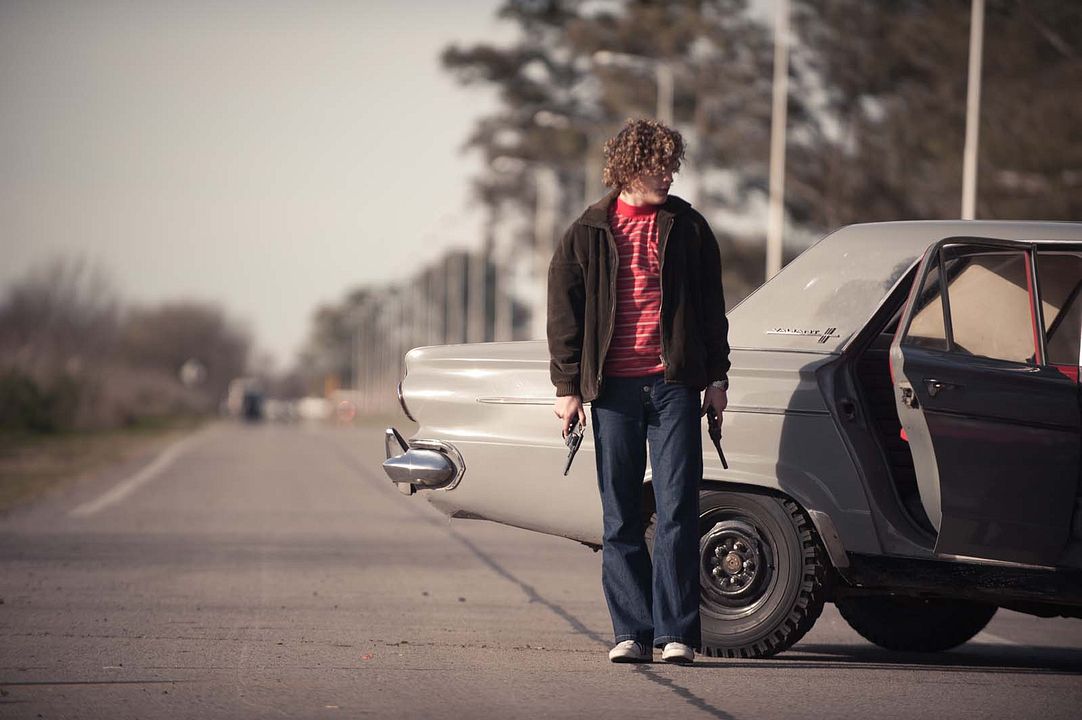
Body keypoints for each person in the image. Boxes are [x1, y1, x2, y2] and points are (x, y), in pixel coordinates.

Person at [547, 118, 730, 665]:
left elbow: (711, 310)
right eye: (659, 166)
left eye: (673, 165)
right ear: (629, 167)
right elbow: (565, 315)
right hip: (612, 391)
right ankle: (631, 631)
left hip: (674, 387)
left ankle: (677, 634)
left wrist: (717, 377)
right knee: (620, 515)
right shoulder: (588, 230)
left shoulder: (689, 228)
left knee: (677, 509)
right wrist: (567, 387)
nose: (669, 175)